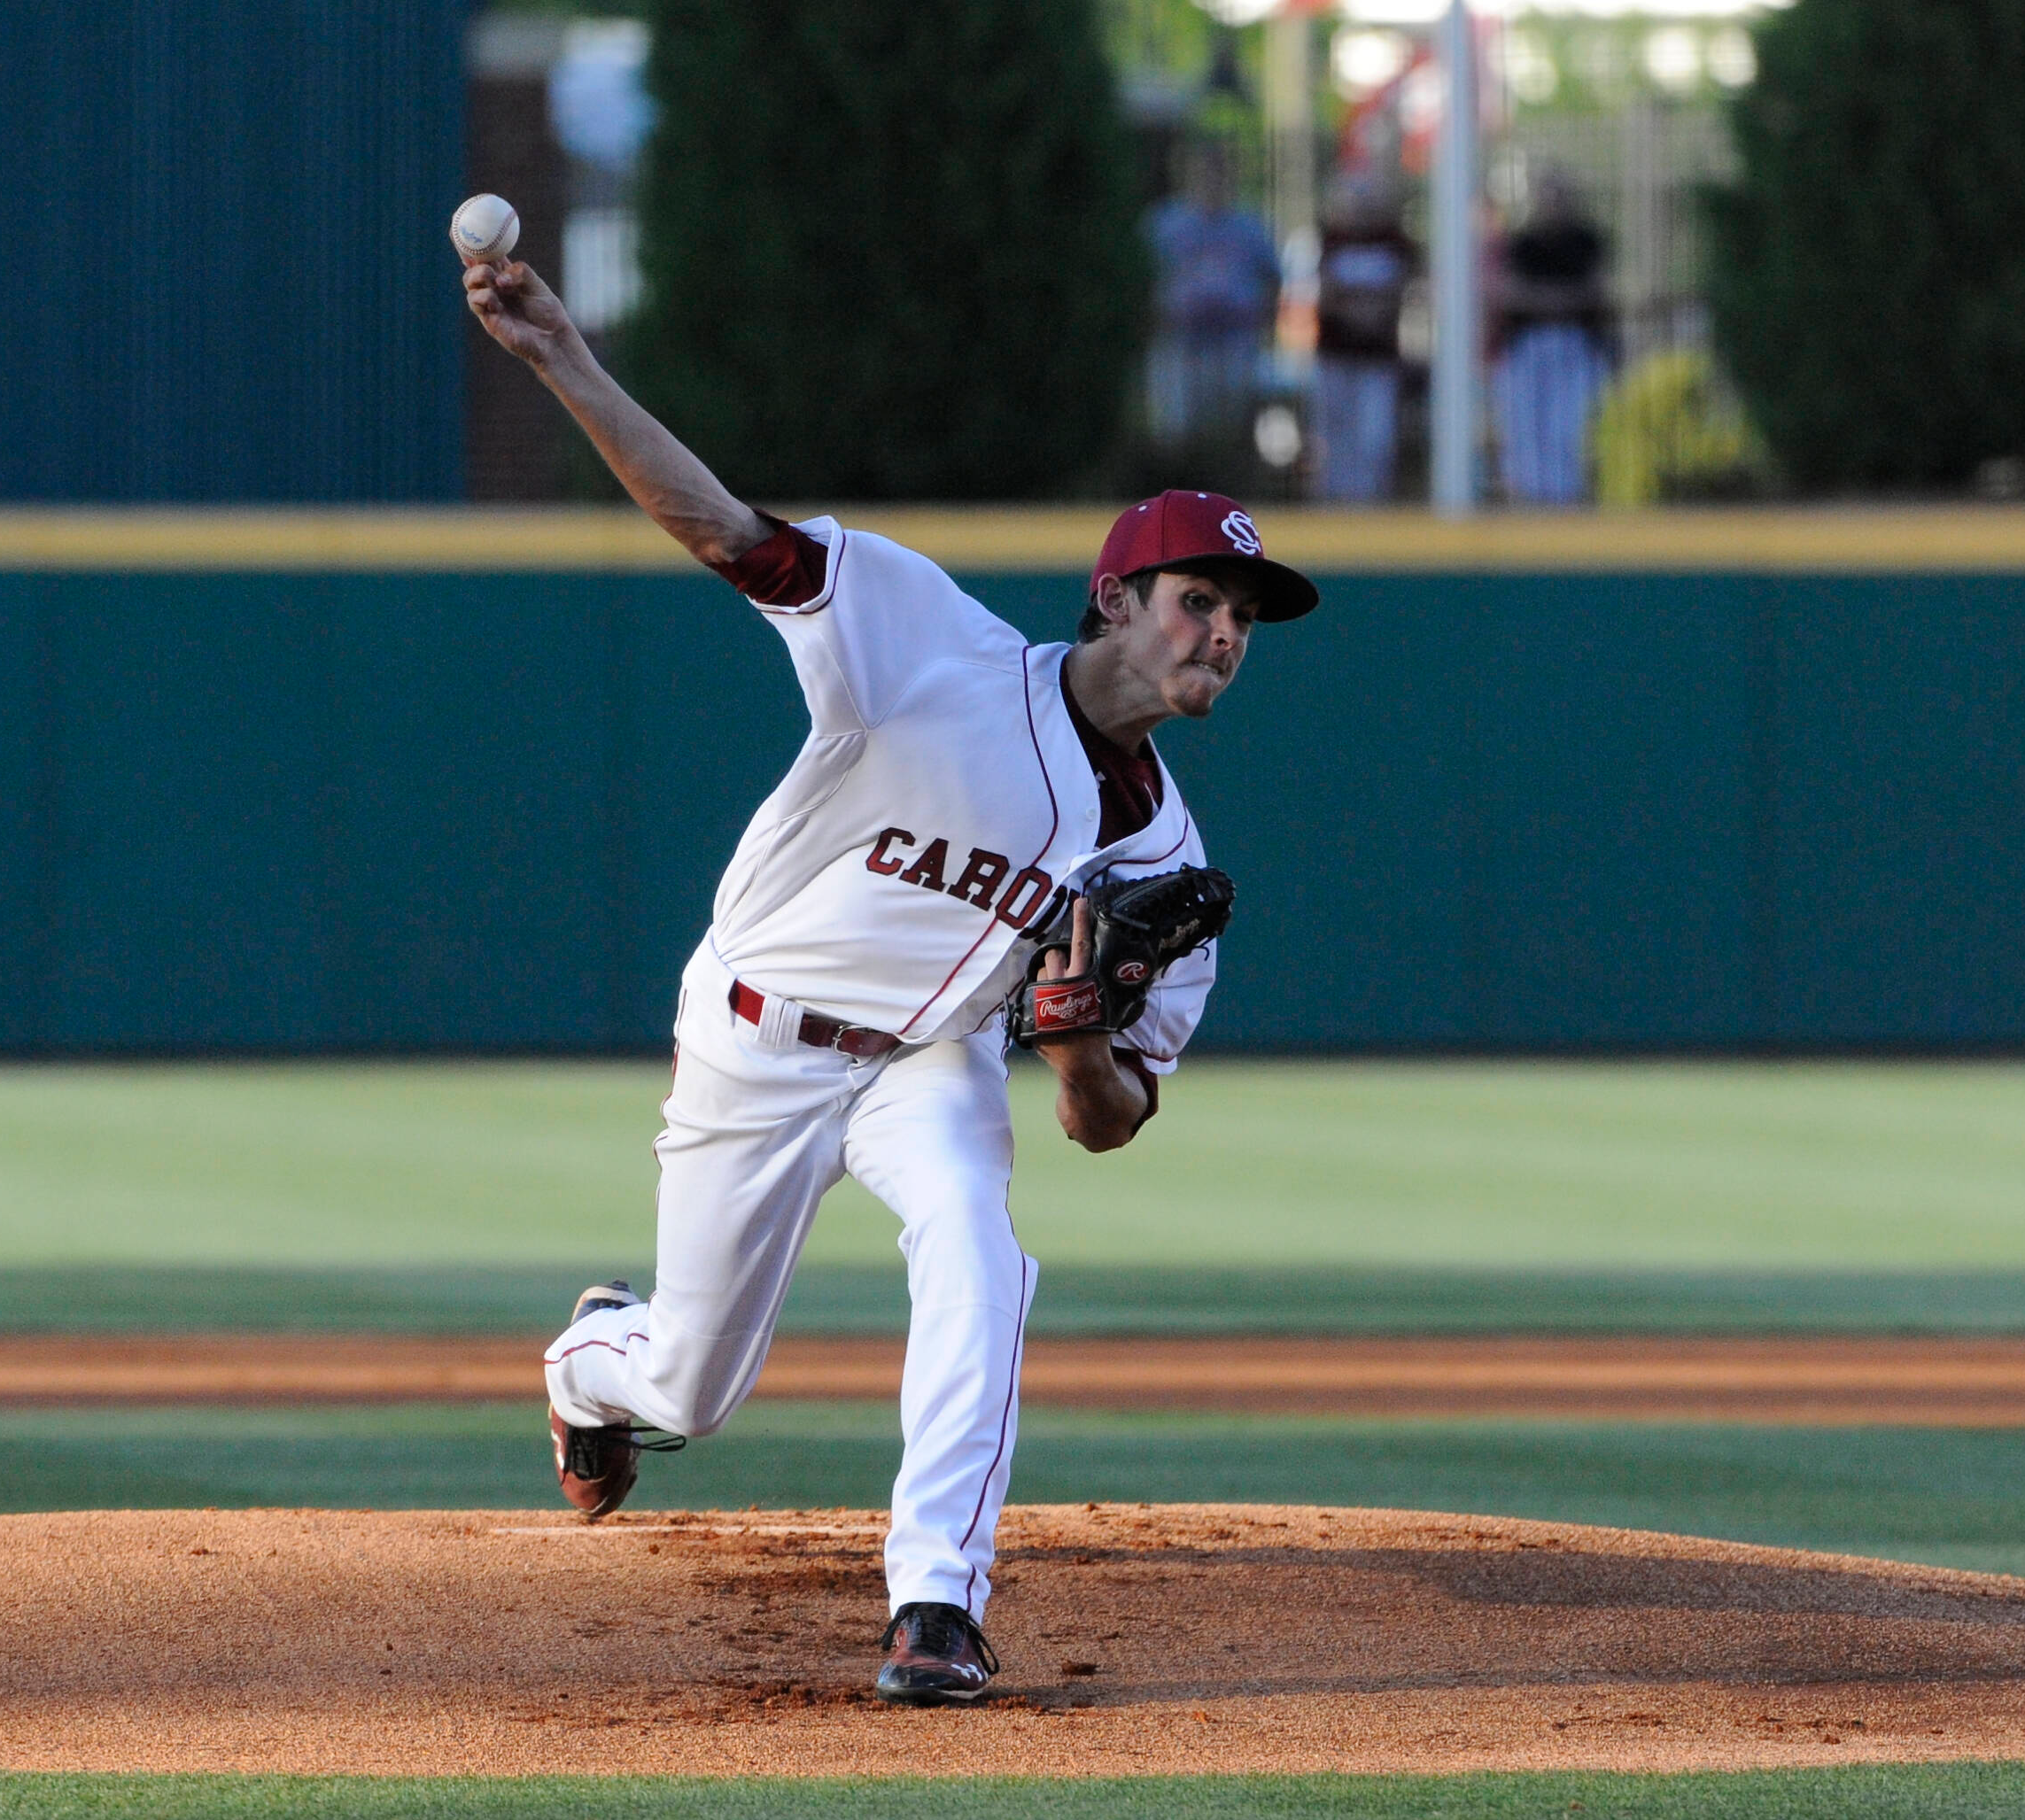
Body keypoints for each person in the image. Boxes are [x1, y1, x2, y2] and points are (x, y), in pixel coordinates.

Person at [461, 252, 1319, 1705]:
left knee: (981, 1255)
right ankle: (590, 1357)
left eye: (1243, 616)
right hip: (758, 1033)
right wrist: (563, 360)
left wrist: (1075, 1045)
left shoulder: (1171, 862)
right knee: (691, 1387)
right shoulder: (930, 642)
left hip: (931, 1060)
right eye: (1198, 598)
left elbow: (1110, 1120)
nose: (1224, 632)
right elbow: (726, 531)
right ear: (1117, 597)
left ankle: (937, 1604)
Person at [1489, 173, 1614, 506]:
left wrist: (1548, 300)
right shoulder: (1523, 244)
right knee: (1526, 434)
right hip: (1530, 346)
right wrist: (1562, 300)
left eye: (1560, 197)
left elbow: (1598, 293)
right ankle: (1530, 504)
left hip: (1576, 344)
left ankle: (1566, 504)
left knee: (1569, 431)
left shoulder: (1587, 241)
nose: (1554, 205)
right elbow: (1511, 295)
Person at [1146, 142, 1282, 445]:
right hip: (1180, 340)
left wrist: (1265, 324)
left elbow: (1273, 278)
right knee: (1177, 427)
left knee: (1228, 426)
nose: (1212, 179)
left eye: (1219, 172)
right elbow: (1142, 279)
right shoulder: (1165, 223)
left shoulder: (1250, 225)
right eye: (1204, 172)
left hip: (1235, 341)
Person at [1309, 174, 1417, 503]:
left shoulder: (1396, 243)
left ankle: (1373, 505)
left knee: (1375, 440)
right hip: (1335, 356)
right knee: (1334, 440)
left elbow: (1400, 296)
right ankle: (1332, 505)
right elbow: (1325, 296)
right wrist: (1363, 305)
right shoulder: (1329, 241)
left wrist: (1360, 304)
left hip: (1378, 359)